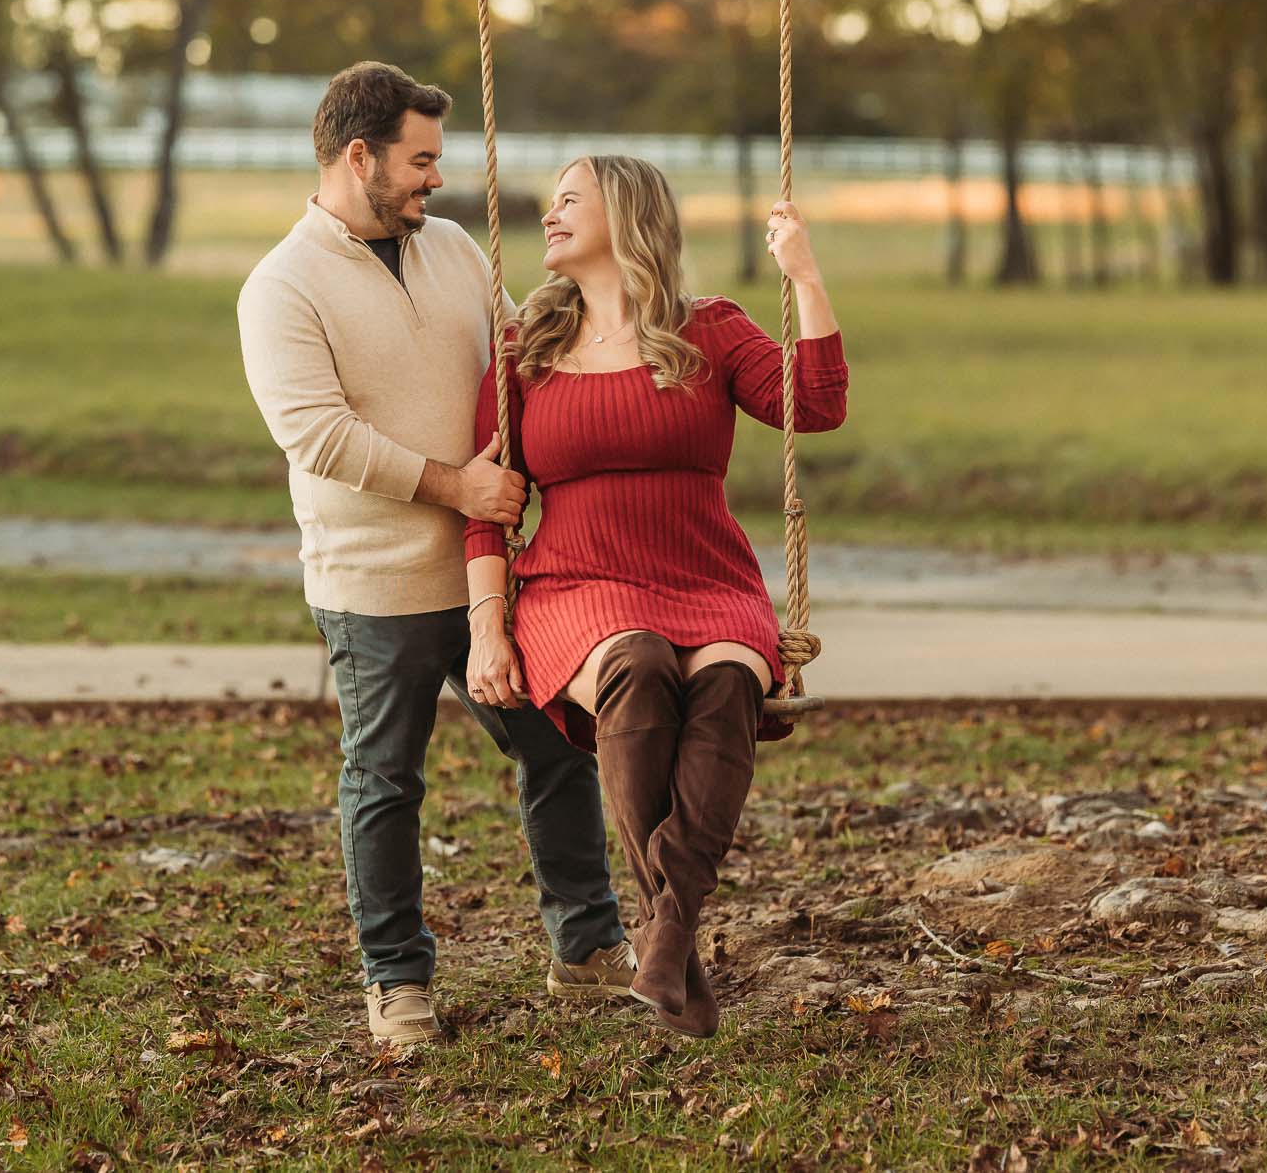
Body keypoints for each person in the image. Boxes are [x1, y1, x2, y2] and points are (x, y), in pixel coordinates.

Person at [236, 63, 633, 1048]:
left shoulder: (454, 245)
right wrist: (454, 484)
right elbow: (315, 433)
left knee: (552, 747)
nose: (433, 179)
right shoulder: (280, 285)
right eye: (418, 161)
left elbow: (516, 355)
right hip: (372, 584)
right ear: (358, 156)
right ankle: (398, 981)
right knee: (385, 777)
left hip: (486, 572)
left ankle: (585, 950)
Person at [463, 154, 848, 1037]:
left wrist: (806, 275)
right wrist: (490, 628)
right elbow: (488, 509)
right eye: (550, 202)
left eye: (570, 200)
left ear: (627, 215)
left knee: (725, 684)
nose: (549, 214)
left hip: (705, 574)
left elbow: (816, 406)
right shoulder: (528, 348)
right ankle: (675, 937)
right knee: (636, 662)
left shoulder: (709, 330)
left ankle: (667, 936)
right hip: (577, 582)